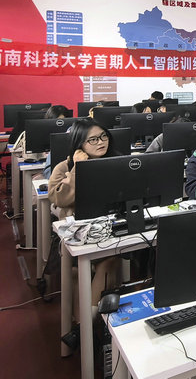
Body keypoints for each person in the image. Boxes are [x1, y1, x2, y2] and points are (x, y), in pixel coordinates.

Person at [48, 118, 123, 324]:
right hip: (76, 234)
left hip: (111, 228)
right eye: (93, 139)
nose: (101, 142)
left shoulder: (116, 162)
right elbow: (59, 199)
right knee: (77, 271)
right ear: (79, 144)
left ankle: (87, 325)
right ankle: (84, 327)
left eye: (104, 136)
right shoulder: (64, 167)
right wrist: (77, 169)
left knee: (109, 260)